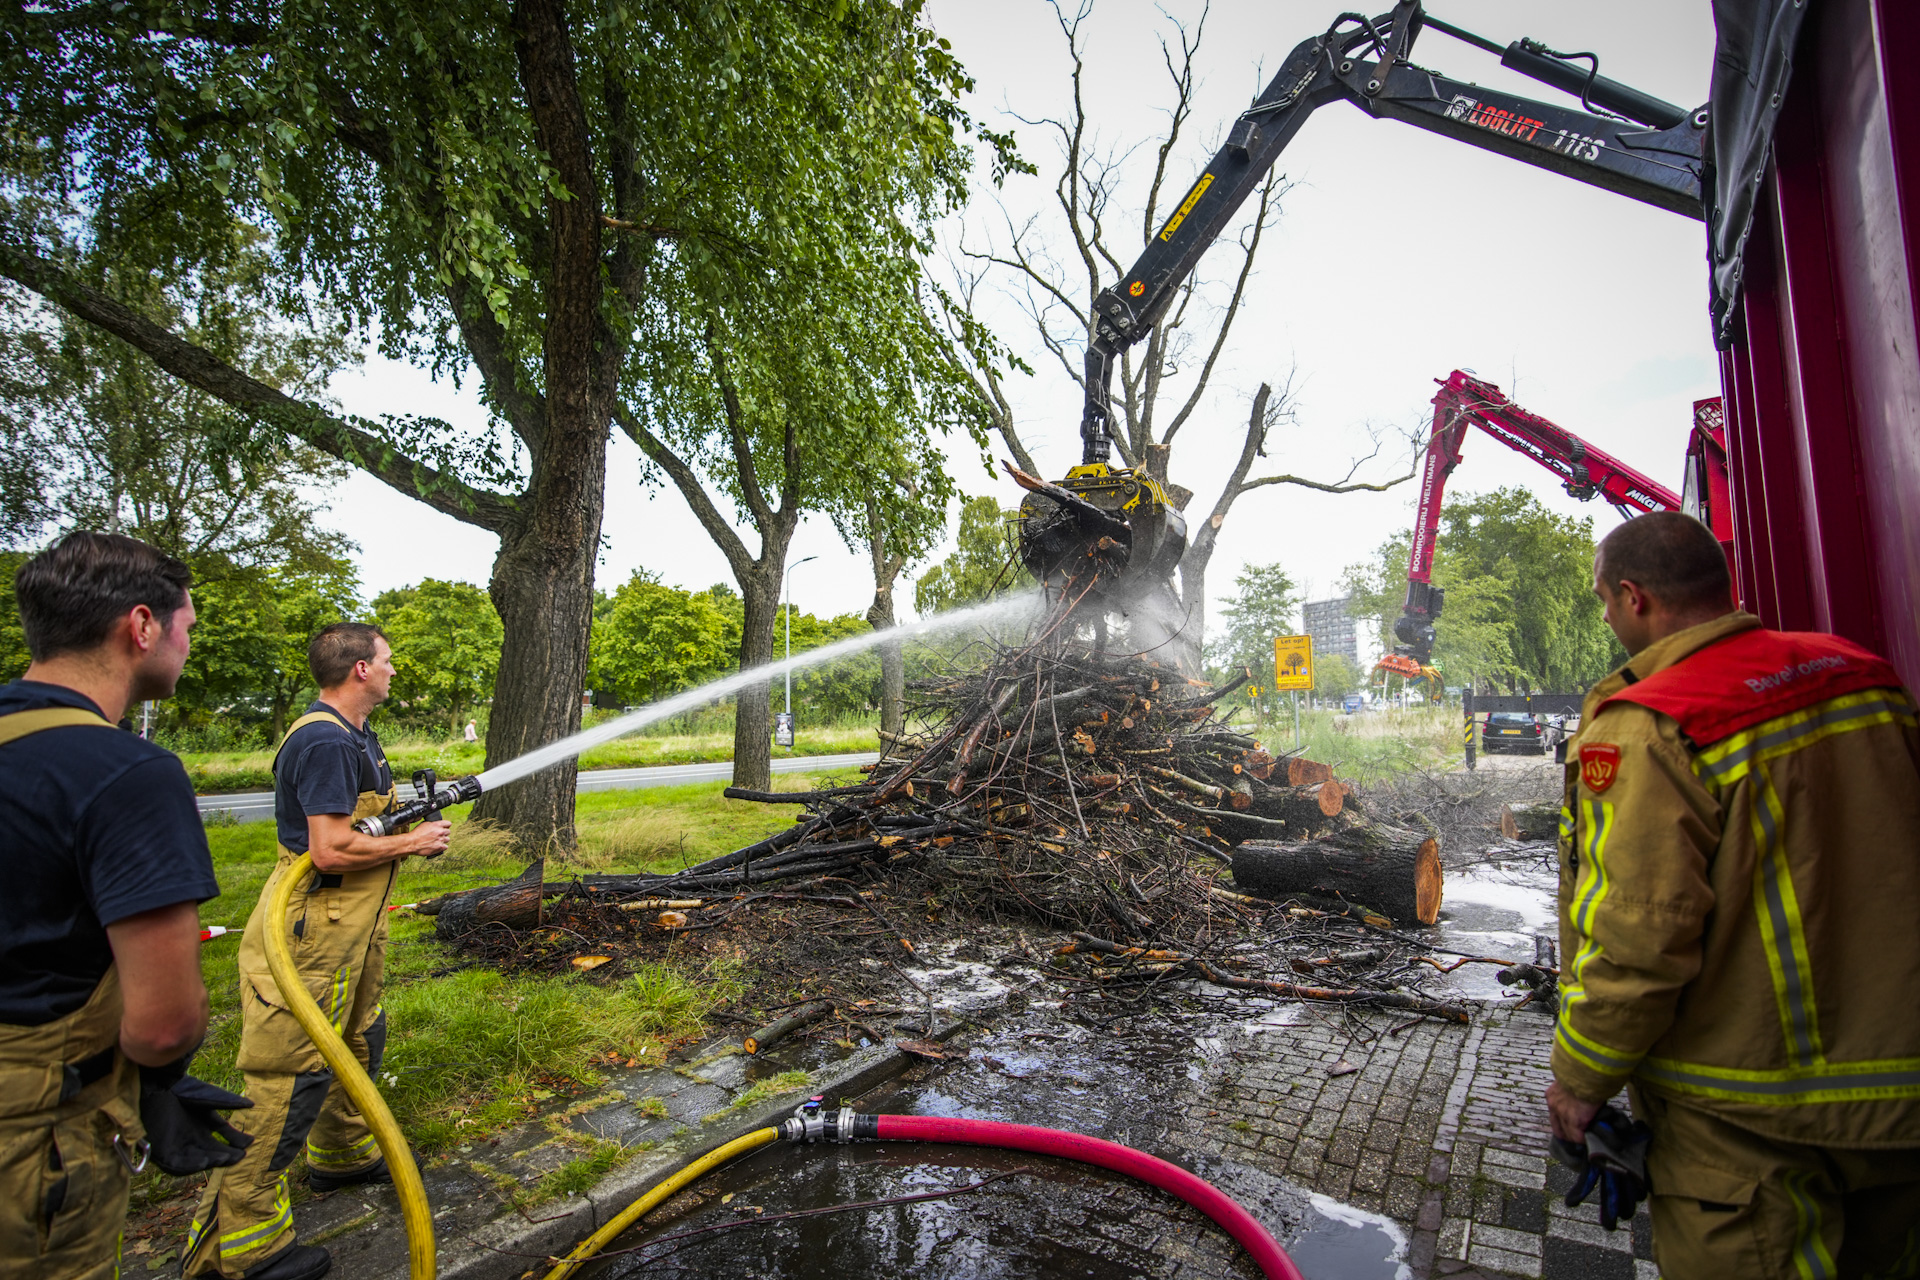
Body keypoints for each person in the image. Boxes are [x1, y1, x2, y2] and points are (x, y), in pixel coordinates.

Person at [1547, 511, 1920, 1276]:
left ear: (1633, 596)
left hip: (1747, 1113)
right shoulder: (1859, 673)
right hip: (1899, 1088)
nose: (1607, 616)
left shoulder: (1654, 725)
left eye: (1602, 601)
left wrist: (1582, 1078)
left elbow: (1639, 932)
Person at [1, 532, 248, 1278]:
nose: (188, 645)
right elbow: (163, 1021)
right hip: (33, 1140)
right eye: (187, 628)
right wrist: (157, 1074)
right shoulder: (125, 774)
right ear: (141, 627)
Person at [184, 624, 449, 1280]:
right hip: (314, 930)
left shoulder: (355, 734)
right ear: (360, 669)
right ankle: (240, 1248)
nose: (393, 670)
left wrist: (404, 824)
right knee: (291, 1071)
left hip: (354, 920)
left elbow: (358, 826)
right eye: (386, 661)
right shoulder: (327, 740)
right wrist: (412, 845)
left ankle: (342, 1154)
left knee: (358, 1036)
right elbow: (328, 850)